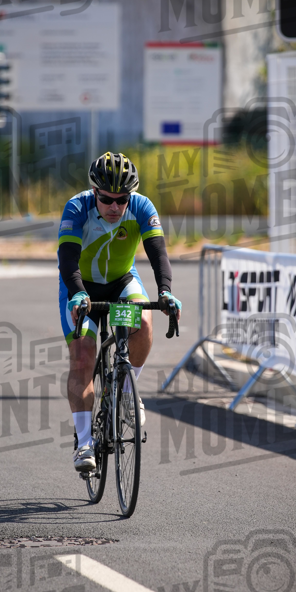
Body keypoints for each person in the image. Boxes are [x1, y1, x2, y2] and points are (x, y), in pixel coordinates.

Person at [58, 152, 182, 472]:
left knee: (142, 319)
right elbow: (68, 259)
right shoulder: (76, 208)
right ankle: (84, 443)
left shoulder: (142, 207)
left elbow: (158, 254)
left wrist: (165, 292)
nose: (114, 207)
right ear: (94, 192)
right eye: (107, 199)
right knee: (83, 356)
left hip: (121, 283)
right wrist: (77, 294)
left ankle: (126, 393)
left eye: (121, 200)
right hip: (80, 288)